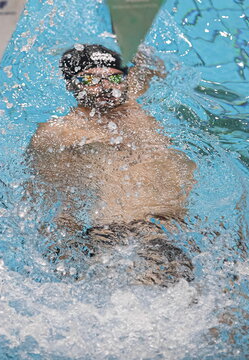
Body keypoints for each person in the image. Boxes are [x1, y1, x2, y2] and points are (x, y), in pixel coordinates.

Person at [27, 44, 197, 286]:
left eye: (114, 77)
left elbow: (152, 66)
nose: (105, 87)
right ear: (70, 85)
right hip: (120, 237)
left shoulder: (132, 103)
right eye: (89, 80)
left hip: (179, 233)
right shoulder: (58, 132)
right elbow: (48, 200)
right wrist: (64, 256)